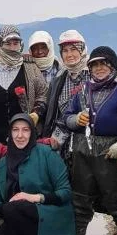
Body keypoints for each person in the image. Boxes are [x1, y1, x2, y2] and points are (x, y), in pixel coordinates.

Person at [62, 46, 117, 235]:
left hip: (110, 152)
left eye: (104, 63)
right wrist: (76, 120)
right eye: (95, 64)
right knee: (80, 202)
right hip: (82, 150)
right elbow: (66, 116)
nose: (99, 68)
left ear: (113, 66)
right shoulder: (82, 90)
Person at [0, 114, 75, 235]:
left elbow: (65, 192)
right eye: (15, 130)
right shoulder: (3, 163)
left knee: (16, 212)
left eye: (25, 130)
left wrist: (35, 197)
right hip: (14, 214)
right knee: (9, 218)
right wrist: (4, 209)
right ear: (10, 133)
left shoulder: (47, 154)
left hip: (48, 213)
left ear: (33, 132)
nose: (20, 135)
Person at [41, 29, 91, 157]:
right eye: (65, 50)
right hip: (62, 140)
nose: (69, 55)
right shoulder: (59, 79)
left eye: (73, 49)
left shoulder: (93, 73)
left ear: (82, 50)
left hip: (89, 141)